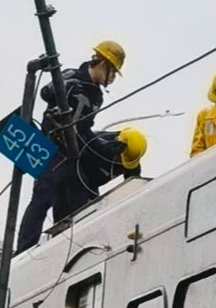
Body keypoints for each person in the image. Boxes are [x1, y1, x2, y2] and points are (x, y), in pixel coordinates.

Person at [17, 41, 126, 251]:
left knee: (81, 204)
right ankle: (22, 251)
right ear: (103, 63)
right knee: (43, 196)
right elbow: (46, 93)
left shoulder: (97, 96)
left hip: (73, 156)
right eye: (112, 72)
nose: (112, 79)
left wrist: (104, 148)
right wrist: (64, 88)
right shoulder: (70, 75)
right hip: (52, 148)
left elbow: (85, 130)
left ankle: (74, 250)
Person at [16, 128, 147, 252]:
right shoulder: (99, 141)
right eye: (119, 158)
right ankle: (25, 249)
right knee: (45, 203)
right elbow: (80, 135)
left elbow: (133, 185)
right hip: (68, 168)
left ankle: (77, 247)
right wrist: (101, 148)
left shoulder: (131, 158)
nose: (119, 162)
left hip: (89, 184)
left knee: (91, 216)